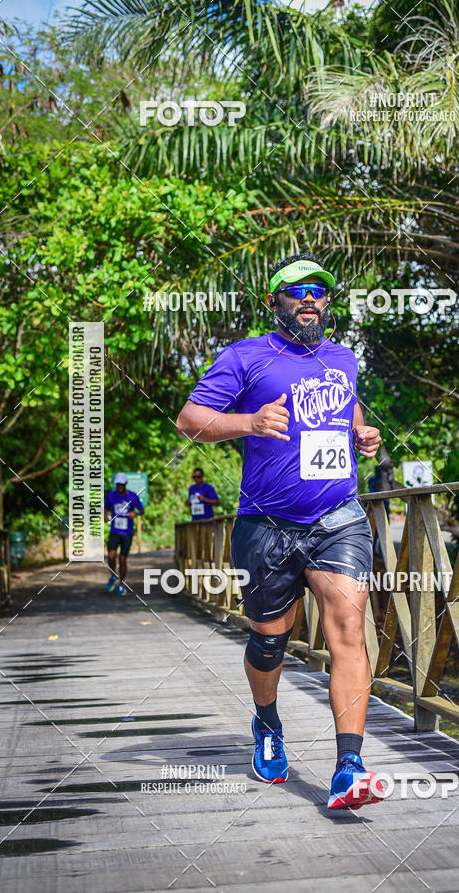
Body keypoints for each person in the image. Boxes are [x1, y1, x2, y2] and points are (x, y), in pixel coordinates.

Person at [176, 251, 384, 810]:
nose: (311, 298)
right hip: (266, 523)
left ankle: (349, 766)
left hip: (337, 515)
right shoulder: (245, 357)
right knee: (270, 639)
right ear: (275, 303)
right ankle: (267, 722)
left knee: (347, 628)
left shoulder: (343, 357)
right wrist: (249, 422)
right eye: (298, 290)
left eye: (319, 289)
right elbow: (190, 421)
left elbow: (348, 406)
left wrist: (363, 433)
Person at [103, 473, 143, 596]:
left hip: (127, 533)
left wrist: (135, 514)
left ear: (125, 484)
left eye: (122, 484)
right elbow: (105, 508)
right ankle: (113, 576)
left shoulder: (132, 496)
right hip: (115, 531)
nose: (120, 486)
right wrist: (104, 516)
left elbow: (141, 509)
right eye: (118, 484)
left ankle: (121, 584)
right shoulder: (111, 495)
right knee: (110, 556)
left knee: (122, 559)